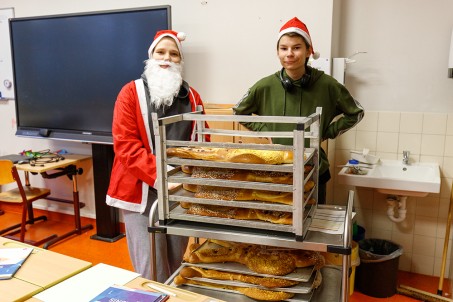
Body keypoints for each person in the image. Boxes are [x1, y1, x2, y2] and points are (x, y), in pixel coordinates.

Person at [106, 30, 209, 282]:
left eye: (174, 54)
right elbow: (126, 146)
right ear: (150, 56)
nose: (167, 58)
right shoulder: (130, 93)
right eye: (160, 52)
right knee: (151, 269)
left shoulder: (193, 98)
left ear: (180, 61)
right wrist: (162, 177)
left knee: (175, 263)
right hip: (139, 190)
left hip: (180, 192)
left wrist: (192, 180)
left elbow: (201, 143)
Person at [233, 17, 364, 204]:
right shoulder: (264, 86)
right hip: (277, 171)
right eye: (284, 48)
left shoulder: (328, 85)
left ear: (309, 50)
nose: (289, 54)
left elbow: (356, 112)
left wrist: (327, 132)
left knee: (312, 224)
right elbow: (238, 111)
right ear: (277, 52)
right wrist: (265, 130)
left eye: (296, 47)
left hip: (314, 171)